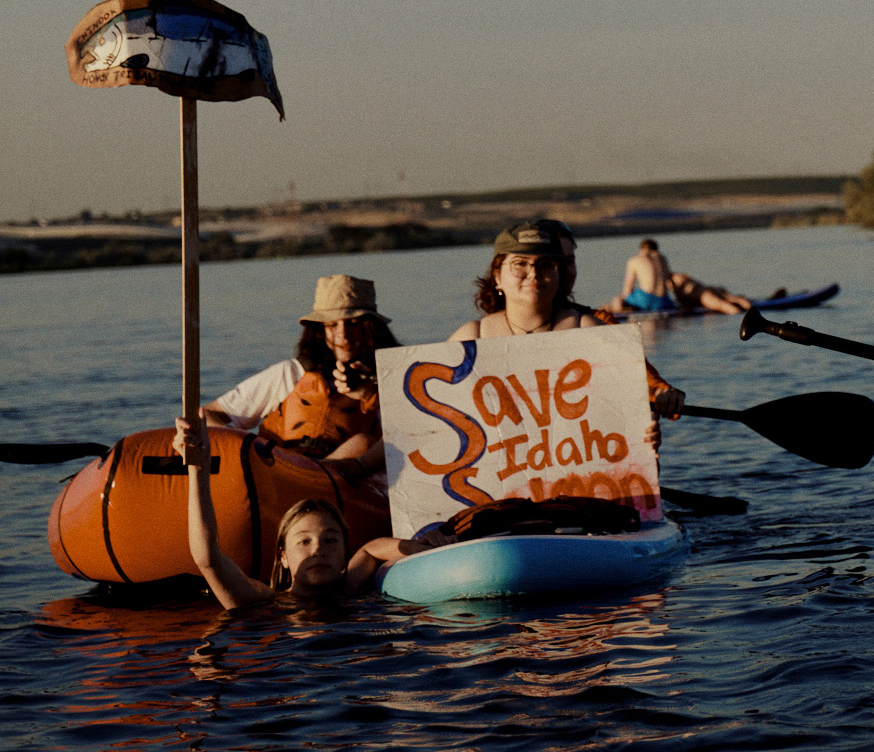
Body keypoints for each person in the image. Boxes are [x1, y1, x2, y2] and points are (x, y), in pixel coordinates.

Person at [453, 221, 686, 440]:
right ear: (497, 275)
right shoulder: (472, 336)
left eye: (546, 264)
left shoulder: (591, 327)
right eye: (520, 263)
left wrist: (656, 411)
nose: (533, 273)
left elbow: (640, 386)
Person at [172, 417, 426, 609]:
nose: (318, 550)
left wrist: (415, 548)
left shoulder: (349, 587)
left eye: (330, 540)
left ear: (343, 554)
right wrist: (198, 471)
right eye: (304, 541)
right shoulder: (262, 601)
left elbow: (371, 549)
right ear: (282, 556)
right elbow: (208, 558)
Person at [203, 274, 399, 478]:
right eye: (332, 325)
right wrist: (244, 445)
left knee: (362, 443)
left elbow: (410, 436)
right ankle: (305, 475)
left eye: (354, 323)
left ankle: (315, 475)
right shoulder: (289, 373)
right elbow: (209, 414)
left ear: (371, 327)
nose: (343, 335)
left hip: (353, 484)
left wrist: (368, 393)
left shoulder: (397, 380)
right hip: (280, 473)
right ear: (319, 330)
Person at [619, 239, 678, 313]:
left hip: (646, 300)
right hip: (664, 301)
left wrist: (625, 301)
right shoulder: (663, 259)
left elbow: (628, 287)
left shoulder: (635, 260)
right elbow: (670, 283)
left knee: (618, 299)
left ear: (642, 249)